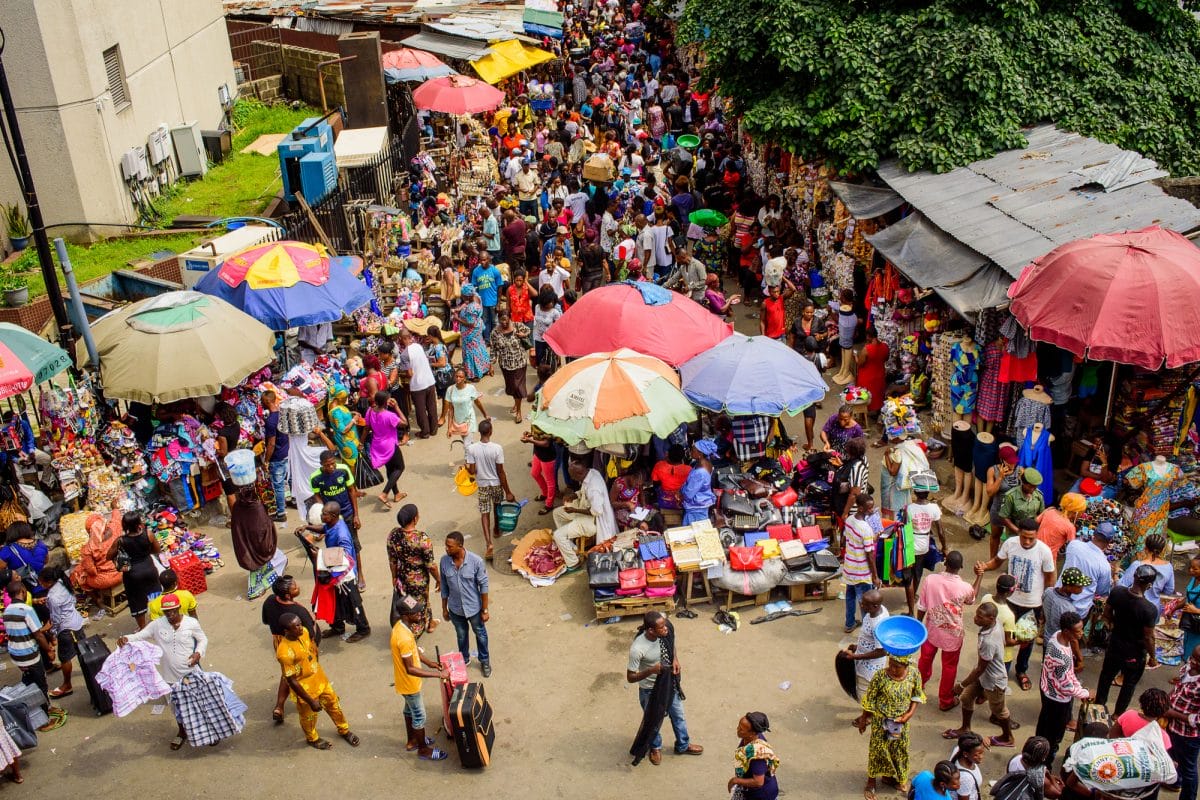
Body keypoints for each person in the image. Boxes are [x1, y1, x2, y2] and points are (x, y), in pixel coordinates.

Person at [118, 593, 208, 750]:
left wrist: (198, 653)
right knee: (177, 706)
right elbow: (139, 636)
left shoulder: (191, 623)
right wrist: (125, 638)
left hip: (191, 673)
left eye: (173, 611)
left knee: (199, 701)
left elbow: (203, 639)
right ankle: (182, 732)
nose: (170, 615)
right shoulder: (157, 625)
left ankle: (208, 731)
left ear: (179, 608)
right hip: (170, 677)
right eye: (167, 612)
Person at [975, 518, 1054, 691]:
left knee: (1027, 640)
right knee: (1003, 637)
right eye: (1024, 537)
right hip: (1009, 602)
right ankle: (999, 668)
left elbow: (1050, 579)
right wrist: (984, 567)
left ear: (1037, 535)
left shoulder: (1044, 552)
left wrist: (1046, 607)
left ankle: (1021, 670)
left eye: (1031, 538)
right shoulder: (1010, 544)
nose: (1027, 541)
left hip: (1033, 604)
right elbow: (997, 561)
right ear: (1018, 533)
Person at [626, 611, 703, 764]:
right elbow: (630, 677)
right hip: (650, 690)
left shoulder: (665, 630)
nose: (666, 628)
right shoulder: (638, 648)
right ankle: (655, 747)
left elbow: (671, 643)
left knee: (678, 715)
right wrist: (651, 670)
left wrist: (675, 659)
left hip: (669, 684)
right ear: (651, 631)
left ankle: (683, 744)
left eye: (665, 625)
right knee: (654, 721)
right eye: (661, 627)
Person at [275, 613, 359, 751]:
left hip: (321, 681)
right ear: (286, 631)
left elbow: (313, 650)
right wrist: (310, 701)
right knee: (308, 717)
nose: (300, 628)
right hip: (304, 690)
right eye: (296, 626)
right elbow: (291, 680)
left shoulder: (305, 632)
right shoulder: (284, 653)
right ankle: (312, 738)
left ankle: (344, 730)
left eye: (300, 624)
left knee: (334, 705)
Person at [917, 551, 983, 711]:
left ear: (945, 563)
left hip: (931, 630)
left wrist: (918, 627)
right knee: (949, 667)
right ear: (960, 567)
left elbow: (921, 607)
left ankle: (917, 688)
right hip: (953, 634)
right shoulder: (965, 587)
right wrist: (979, 576)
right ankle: (945, 700)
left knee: (925, 660)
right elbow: (972, 598)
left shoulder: (930, 580)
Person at [944, 602, 1015, 748]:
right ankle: (965, 728)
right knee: (966, 697)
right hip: (982, 676)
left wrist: (961, 685)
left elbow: (981, 669)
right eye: (976, 615)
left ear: (991, 618)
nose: (975, 619)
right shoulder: (996, 623)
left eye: (980, 617)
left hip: (993, 681)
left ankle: (1008, 737)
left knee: (999, 710)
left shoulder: (989, 641)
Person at [297, 502, 370, 643]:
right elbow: (324, 528)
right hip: (332, 572)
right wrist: (307, 527)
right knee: (333, 601)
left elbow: (345, 558)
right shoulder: (332, 524)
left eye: (324, 514)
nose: (321, 515)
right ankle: (337, 627)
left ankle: (363, 629)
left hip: (344, 576)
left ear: (333, 516)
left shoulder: (342, 534)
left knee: (353, 603)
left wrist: (320, 555)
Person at [855, 654, 926, 800]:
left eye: (897, 667)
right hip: (881, 723)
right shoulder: (880, 676)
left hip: (901, 724)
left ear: (906, 666)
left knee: (899, 751)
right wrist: (864, 719)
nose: (892, 669)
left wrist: (909, 714)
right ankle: (871, 782)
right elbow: (870, 700)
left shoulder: (914, 674)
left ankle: (888, 777)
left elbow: (917, 696)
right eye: (891, 664)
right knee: (878, 751)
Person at [390, 594, 450, 761]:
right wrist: (439, 674)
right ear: (405, 615)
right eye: (416, 613)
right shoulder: (402, 636)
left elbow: (413, 650)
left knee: (409, 710)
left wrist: (430, 662)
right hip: (410, 684)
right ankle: (423, 750)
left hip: (405, 682)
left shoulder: (402, 628)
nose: (420, 615)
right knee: (419, 716)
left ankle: (413, 740)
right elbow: (410, 668)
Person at [1095, 564, 1159, 715]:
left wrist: (1111, 625)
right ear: (1149, 585)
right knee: (1129, 685)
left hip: (1115, 645)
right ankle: (1117, 715)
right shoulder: (1149, 609)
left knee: (1106, 677)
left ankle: (1098, 707)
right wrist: (1153, 657)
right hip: (1134, 654)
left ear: (1134, 577)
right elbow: (1148, 637)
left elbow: (1107, 614)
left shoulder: (1117, 592)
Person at [1036, 610, 1092, 763]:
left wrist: (1077, 684)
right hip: (1057, 699)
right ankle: (1045, 763)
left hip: (1048, 688)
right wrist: (1084, 693)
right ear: (1067, 631)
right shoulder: (1061, 656)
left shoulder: (1057, 636)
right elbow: (1066, 686)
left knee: (1043, 728)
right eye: (1078, 630)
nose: (1081, 633)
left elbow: (1068, 675)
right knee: (1053, 736)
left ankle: (1038, 752)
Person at [3, 577, 58, 729]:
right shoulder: (26, 610)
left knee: (29, 682)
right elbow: (38, 634)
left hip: (16, 655)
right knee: (40, 685)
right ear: (23, 591)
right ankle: (44, 720)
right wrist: (49, 650)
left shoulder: (7, 610)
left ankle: (41, 708)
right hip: (29, 654)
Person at [262, 575, 317, 724]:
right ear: (288, 595)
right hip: (298, 644)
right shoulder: (298, 611)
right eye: (295, 587)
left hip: (279, 642)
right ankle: (312, 698)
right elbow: (310, 634)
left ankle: (279, 706)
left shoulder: (269, 601)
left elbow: (266, 620)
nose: (298, 587)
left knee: (287, 672)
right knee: (302, 672)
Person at [552, 457, 618, 572]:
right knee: (557, 513)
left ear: (579, 473)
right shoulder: (591, 473)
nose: (571, 478)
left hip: (592, 521)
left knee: (558, 535)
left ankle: (573, 562)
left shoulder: (594, 488)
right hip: (584, 511)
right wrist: (574, 495)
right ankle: (571, 547)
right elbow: (583, 492)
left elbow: (597, 511)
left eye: (572, 475)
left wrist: (574, 510)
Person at [440, 531, 491, 677]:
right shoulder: (444, 561)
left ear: (460, 546)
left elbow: (484, 586)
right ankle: (464, 659)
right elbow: (444, 586)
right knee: (461, 635)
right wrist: (444, 608)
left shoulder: (476, 561)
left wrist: (485, 610)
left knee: (480, 634)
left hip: (474, 608)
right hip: (455, 609)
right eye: (446, 546)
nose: (446, 549)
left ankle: (485, 660)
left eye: (449, 546)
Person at [466, 419, 515, 560]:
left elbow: (472, 471)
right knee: (497, 506)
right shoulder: (497, 448)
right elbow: (501, 472)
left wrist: (467, 466)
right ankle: (497, 529)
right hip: (496, 484)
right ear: (491, 431)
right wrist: (508, 492)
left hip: (482, 485)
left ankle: (488, 543)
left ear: (480, 432)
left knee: (484, 513)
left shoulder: (472, 449)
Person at [386, 504, 439, 636]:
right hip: (419, 580)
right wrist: (439, 579)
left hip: (402, 577)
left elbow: (392, 560)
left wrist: (394, 577)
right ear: (415, 519)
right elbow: (431, 565)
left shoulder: (393, 534)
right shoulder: (422, 539)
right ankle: (411, 638)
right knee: (418, 606)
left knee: (410, 601)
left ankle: (430, 621)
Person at [228, 484, 281, 600]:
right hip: (258, 546)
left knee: (261, 566)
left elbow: (237, 526)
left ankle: (265, 580)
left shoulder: (237, 506)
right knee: (258, 568)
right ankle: (255, 590)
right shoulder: (257, 507)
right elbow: (264, 528)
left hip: (245, 546)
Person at [115, 510, 162, 630]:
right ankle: (160, 621)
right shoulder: (148, 534)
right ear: (138, 523)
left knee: (137, 600)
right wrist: (145, 553)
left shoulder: (121, 541)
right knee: (155, 595)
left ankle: (143, 627)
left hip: (132, 575)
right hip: (149, 569)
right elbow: (157, 550)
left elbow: (108, 556)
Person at [903, 487, 946, 616]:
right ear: (928, 493)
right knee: (918, 573)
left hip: (911, 544)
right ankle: (913, 596)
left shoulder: (909, 508)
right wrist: (945, 547)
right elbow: (941, 531)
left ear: (915, 493)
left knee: (908, 578)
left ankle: (910, 610)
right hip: (924, 544)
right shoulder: (934, 508)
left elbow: (904, 527)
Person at [843, 493, 881, 633]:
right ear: (860, 508)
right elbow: (870, 554)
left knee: (850, 596)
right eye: (868, 508)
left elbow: (850, 540)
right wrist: (875, 576)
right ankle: (868, 630)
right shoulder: (865, 529)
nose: (871, 511)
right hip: (862, 571)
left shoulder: (849, 520)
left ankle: (849, 623)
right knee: (866, 603)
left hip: (849, 567)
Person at [365, 390, 409, 513]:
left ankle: (397, 493)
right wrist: (397, 407)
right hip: (390, 445)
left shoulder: (370, 411)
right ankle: (384, 493)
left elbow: (367, 427)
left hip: (378, 445)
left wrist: (361, 442)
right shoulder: (389, 415)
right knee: (400, 467)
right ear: (385, 402)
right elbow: (404, 423)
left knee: (390, 469)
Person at [1166, 644, 1200, 800]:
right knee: (1171, 755)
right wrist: (1166, 699)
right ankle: (1175, 782)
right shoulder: (1189, 668)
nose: (1193, 663)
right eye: (1192, 658)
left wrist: (1173, 713)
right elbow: (1179, 686)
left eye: (1198, 661)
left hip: (1189, 736)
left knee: (1189, 770)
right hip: (1172, 726)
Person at [1057, 524, 1114, 616]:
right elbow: (1101, 591)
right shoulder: (1104, 566)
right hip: (1078, 610)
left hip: (1059, 599)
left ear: (1094, 534)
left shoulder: (1074, 545)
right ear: (1110, 541)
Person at [842, 589, 889, 699]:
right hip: (863, 657)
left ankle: (867, 715)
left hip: (870, 667)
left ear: (875, 606)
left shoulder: (877, 625)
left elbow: (882, 651)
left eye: (865, 604)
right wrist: (857, 647)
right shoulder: (877, 611)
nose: (861, 605)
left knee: (865, 693)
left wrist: (857, 656)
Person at [490, 312, 532, 423]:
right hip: (505, 365)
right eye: (501, 320)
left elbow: (528, 330)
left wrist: (523, 335)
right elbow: (493, 348)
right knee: (512, 387)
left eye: (505, 319)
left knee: (518, 387)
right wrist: (491, 362)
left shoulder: (517, 326)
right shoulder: (495, 332)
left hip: (519, 362)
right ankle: (516, 402)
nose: (503, 322)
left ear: (510, 318)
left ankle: (518, 411)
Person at [727, 712, 780, 799]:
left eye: (741, 729)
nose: (737, 729)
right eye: (738, 726)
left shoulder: (757, 756)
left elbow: (758, 782)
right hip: (747, 789)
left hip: (760, 795)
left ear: (752, 733)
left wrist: (735, 780)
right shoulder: (751, 737)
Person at [399, 328, 438, 439]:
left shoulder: (404, 354)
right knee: (431, 407)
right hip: (429, 380)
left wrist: (404, 373)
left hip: (418, 385)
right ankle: (433, 429)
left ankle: (425, 432)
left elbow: (410, 374)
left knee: (420, 409)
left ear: (401, 339)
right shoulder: (418, 346)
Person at [1119, 533, 1174, 611]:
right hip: (1153, 609)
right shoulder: (1168, 567)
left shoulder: (1137, 565)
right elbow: (1169, 591)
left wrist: (1115, 573)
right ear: (1162, 550)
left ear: (1145, 548)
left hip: (1134, 608)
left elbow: (1121, 586)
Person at [73, 511, 122, 597]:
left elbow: (92, 572)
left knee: (78, 572)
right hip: (123, 570)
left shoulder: (88, 549)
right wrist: (114, 507)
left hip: (106, 580)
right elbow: (116, 516)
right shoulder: (115, 528)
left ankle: (96, 598)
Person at [309, 450, 358, 530]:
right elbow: (317, 495)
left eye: (333, 463)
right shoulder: (315, 478)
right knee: (335, 539)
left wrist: (356, 515)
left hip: (347, 512)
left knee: (354, 540)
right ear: (321, 464)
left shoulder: (344, 469)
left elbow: (351, 490)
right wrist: (324, 511)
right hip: (331, 517)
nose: (331, 467)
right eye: (327, 465)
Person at [261, 389, 290, 522]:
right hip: (286, 452)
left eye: (262, 401)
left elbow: (271, 443)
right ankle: (289, 502)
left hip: (277, 456)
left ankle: (281, 513)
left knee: (278, 486)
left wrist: (266, 460)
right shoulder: (283, 414)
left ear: (267, 401)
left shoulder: (271, 421)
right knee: (287, 480)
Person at [442, 367, 490, 445]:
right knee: (469, 443)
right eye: (456, 376)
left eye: (460, 377)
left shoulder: (470, 388)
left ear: (465, 378)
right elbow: (451, 409)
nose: (458, 378)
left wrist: (485, 414)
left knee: (467, 446)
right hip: (459, 422)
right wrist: (449, 428)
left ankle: (470, 456)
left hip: (469, 420)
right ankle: (476, 453)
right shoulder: (450, 390)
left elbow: (477, 402)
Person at [997, 468, 1046, 541]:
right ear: (1023, 483)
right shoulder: (1011, 496)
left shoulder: (1039, 495)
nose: (1033, 489)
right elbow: (1004, 517)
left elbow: (1042, 514)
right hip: (1014, 533)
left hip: (1032, 534)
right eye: (1030, 487)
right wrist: (1018, 531)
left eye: (1035, 487)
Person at [455, 284, 492, 381]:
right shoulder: (476, 300)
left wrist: (457, 319)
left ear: (467, 296)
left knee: (472, 351)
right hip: (477, 330)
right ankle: (484, 368)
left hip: (471, 332)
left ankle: (475, 373)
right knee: (479, 348)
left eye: (463, 295)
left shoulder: (471, 308)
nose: (462, 297)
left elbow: (470, 323)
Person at [1036, 493, 1084, 562]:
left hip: (1035, 547)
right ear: (1076, 513)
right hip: (1048, 557)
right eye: (1081, 512)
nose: (1081, 514)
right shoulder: (1070, 527)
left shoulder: (1050, 510)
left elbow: (1036, 521)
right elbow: (1072, 545)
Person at [522, 426, 558, 515]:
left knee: (550, 481)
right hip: (538, 453)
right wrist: (530, 434)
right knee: (535, 473)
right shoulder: (538, 416)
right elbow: (539, 434)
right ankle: (545, 493)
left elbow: (546, 443)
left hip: (547, 456)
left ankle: (549, 504)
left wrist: (530, 440)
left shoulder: (548, 422)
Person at [680, 439, 717, 525]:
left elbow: (689, 494)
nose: (691, 452)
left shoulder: (700, 472)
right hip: (701, 504)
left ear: (700, 453)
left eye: (693, 450)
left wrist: (680, 496)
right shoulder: (704, 463)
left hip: (696, 507)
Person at [470, 252, 503, 343]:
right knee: (485, 321)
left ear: (489, 259)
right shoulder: (476, 271)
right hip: (482, 302)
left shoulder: (495, 270)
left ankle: (496, 340)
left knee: (495, 321)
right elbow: (474, 287)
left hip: (493, 301)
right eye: (481, 260)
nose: (482, 262)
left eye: (484, 260)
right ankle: (487, 340)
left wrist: (498, 302)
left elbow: (500, 286)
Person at [856, 327, 889, 414]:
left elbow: (860, 363)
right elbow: (886, 358)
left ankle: (864, 414)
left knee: (865, 396)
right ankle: (878, 412)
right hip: (879, 375)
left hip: (867, 377)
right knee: (878, 395)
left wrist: (855, 357)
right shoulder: (885, 346)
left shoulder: (867, 349)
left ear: (868, 336)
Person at [326, 388, 361, 469]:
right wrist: (354, 420)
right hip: (347, 442)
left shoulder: (336, 405)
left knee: (348, 465)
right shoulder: (335, 411)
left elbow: (341, 417)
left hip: (350, 439)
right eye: (345, 397)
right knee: (351, 466)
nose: (346, 399)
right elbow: (343, 430)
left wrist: (350, 413)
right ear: (339, 398)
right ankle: (352, 481)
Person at [651, 442, 691, 510]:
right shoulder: (689, 469)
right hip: (681, 502)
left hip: (664, 501)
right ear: (683, 456)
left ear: (668, 454)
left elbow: (655, 484)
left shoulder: (659, 465)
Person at [949, 733, 986, 800]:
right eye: (977, 754)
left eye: (982, 752)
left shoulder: (959, 749)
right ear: (965, 754)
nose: (981, 757)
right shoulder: (965, 778)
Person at [1181, 555, 1200, 661]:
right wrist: (1174, 608)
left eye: (1195, 569)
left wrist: (1196, 610)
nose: (1191, 570)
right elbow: (1189, 597)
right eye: (1190, 567)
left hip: (1198, 626)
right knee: (1187, 648)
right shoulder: (1194, 579)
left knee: (1196, 654)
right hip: (1190, 623)